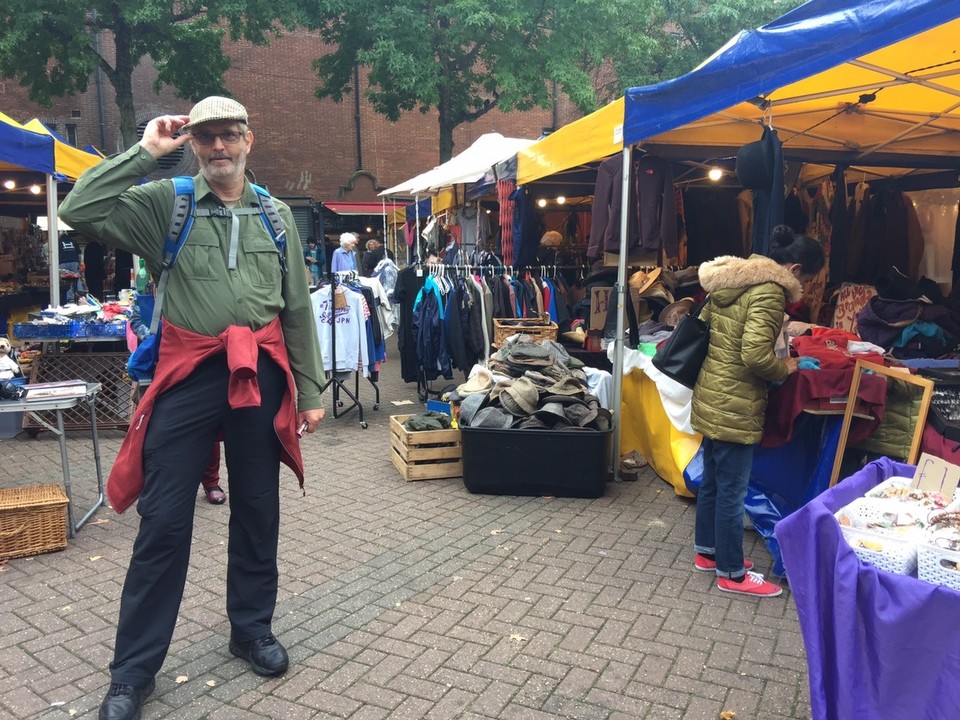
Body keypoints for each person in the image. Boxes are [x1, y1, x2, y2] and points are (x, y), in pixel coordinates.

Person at [60, 96, 326, 720]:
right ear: (192, 144)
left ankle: (251, 629)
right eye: (205, 138)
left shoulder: (276, 215)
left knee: (258, 508)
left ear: (248, 139)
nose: (219, 148)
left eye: (229, 136)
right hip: (187, 373)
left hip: (259, 371)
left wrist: (310, 391)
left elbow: (296, 309)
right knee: (164, 521)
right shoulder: (166, 203)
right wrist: (146, 151)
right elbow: (79, 208)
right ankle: (132, 672)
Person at [690, 224, 824, 598]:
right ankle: (731, 573)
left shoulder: (733, 281)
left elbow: (707, 330)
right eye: (809, 281)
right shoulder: (768, 292)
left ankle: (708, 553)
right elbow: (754, 355)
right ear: (794, 270)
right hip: (738, 401)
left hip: (713, 392)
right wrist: (787, 368)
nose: (807, 290)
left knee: (715, 482)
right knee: (732, 489)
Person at [128, 289, 227, 505]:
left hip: (191, 361)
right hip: (154, 364)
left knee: (206, 425)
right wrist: (155, 338)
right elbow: (135, 320)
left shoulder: (186, 281)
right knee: (153, 428)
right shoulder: (144, 290)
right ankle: (157, 484)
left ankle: (211, 481)